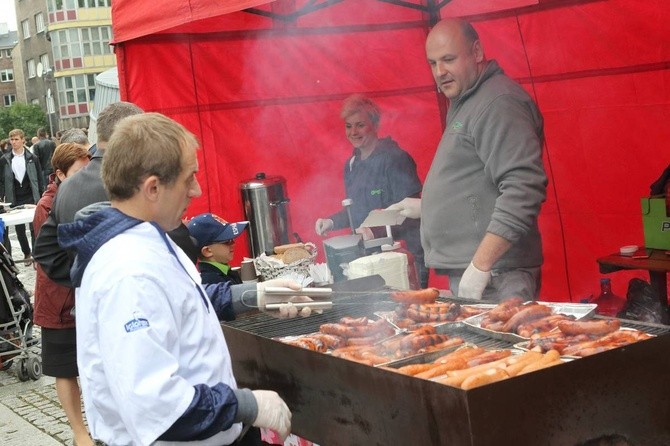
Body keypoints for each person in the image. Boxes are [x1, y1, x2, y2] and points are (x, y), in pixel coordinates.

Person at [58, 112, 294, 445]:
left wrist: (250, 296)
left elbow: (177, 302)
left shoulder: (149, 235)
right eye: (189, 178)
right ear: (152, 187)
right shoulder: (129, 271)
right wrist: (247, 404)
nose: (196, 190)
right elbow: (157, 405)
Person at [388, 19, 547, 301]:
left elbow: (523, 187)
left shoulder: (498, 103)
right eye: (433, 63)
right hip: (481, 273)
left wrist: (481, 265)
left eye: (448, 59)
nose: (440, 72)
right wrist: (429, 205)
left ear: (476, 52)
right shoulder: (467, 100)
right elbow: (476, 182)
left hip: (499, 277)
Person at [314, 94, 427, 286]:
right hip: (367, 259)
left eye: (360, 125)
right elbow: (355, 210)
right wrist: (331, 221)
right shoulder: (351, 165)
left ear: (374, 125)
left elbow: (410, 213)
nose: (353, 132)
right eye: (348, 126)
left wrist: (372, 231)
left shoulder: (395, 159)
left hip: (403, 258)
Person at [33, 101, 144, 285]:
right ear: (133, 135)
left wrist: (85, 276)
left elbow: (46, 252)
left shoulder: (66, 187)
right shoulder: (139, 182)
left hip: (89, 301)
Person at [32, 143, 92, 446]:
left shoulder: (84, 194)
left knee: (92, 365)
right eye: (80, 172)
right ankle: (79, 431)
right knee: (66, 368)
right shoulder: (47, 205)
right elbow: (53, 254)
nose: (87, 177)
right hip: (59, 300)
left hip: (84, 295)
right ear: (60, 173)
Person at [0, 129, 44, 263]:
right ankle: (26, 253)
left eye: (16, 139)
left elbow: (39, 178)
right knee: (19, 229)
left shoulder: (32, 158)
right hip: (14, 196)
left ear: (23, 140)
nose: (14, 142)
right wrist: (1, 196)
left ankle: (36, 254)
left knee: (33, 226)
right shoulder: (4, 159)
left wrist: (41, 195)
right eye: (11, 140)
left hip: (31, 195)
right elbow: (1, 180)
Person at [188, 213, 248, 286]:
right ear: (207, 251)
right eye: (227, 241)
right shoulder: (213, 282)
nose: (233, 244)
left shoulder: (224, 273)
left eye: (232, 239)